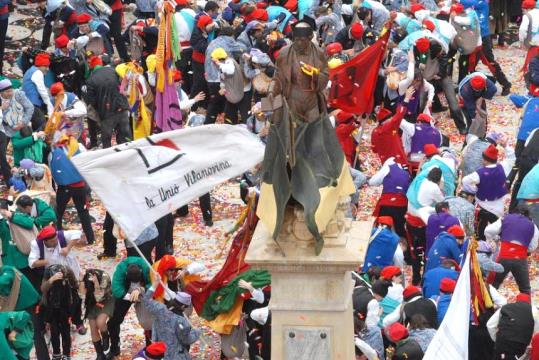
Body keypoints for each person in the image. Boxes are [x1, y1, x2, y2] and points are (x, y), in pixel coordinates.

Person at [462, 142, 516, 239]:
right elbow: (512, 158)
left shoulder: (480, 173)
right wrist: (506, 146)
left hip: (483, 204)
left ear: (485, 160)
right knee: (496, 229)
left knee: (480, 230)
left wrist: (474, 190)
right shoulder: (503, 167)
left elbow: (464, 180)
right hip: (498, 204)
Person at [142, 275, 201, 359]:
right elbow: (186, 339)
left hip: (159, 353)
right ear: (183, 307)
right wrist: (196, 332)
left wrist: (155, 284)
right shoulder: (182, 322)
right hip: (175, 355)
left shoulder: (161, 309)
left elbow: (146, 300)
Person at [485, 205, 539, 294]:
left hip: (504, 256)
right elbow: (532, 247)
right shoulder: (533, 225)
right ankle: (525, 307)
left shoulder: (506, 218)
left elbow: (488, 231)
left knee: (493, 285)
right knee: (525, 289)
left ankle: (487, 306)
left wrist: (496, 238)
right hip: (521, 259)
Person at [107, 257, 151, 358]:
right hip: (125, 294)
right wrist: (129, 297)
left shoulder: (146, 268)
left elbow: (152, 283)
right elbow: (116, 289)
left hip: (143, 293)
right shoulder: (120, 270)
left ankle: (150, 347)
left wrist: (141, 289)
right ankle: (114, 348)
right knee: (113, 322)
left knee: (149, 321)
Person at [84, 55, 131, 149]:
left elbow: (91, 101)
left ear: (92, 67)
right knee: (125, 137)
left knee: (107, 140)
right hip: (122, 107)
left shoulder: (91, 80)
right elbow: (123, 85)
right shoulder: (113, 70)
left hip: (106, 112)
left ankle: (110, 158)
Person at [40, 263, 78, 360]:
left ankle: (66, 354)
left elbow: (75, 285)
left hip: (65, 305)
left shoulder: (67, 270)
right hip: (52, 306)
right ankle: (56, 354)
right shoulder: (48, 272)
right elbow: (43, 288)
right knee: (54, 332)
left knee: (65, 331)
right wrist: (51, 280)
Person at [370, 87, 415, 167]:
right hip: (398, 161)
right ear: (386, 120)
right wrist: (406, 99)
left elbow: (374, 149)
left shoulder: (374, 132)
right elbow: (398, 116)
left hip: (385, 162)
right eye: (390, 118)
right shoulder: (388, 127)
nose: (391, 119)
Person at [0, 79, 34, 183]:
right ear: (1, 92)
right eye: (7, 92)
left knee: (26, 150)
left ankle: (28, 176)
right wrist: (1, 108)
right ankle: (11, 181)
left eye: (11, 90)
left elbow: (30, 108)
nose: (10, 93)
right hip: (5, 129)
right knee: (4, 155)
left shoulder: (18, 94)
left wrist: (22, 123)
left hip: (22, 127)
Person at [487, 293, 539, 359]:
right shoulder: (534, 310)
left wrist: (496, 339)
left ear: (516, 300)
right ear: (529, 302)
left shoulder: (505, 307)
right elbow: (536, 333)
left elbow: (490, 325)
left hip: (502, 342)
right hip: (520, 344)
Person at [80, 269, 114, 360]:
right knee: (93, 327)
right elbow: (82, 295)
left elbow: (99, 297)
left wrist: (96, 284)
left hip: (106, 300)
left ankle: (105, 337)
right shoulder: (84, 279)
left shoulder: (104, 277)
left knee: (100, 322)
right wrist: (81, 281)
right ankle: (100, 354)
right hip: (92, 302)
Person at [21, 53, 53, 128]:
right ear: (40, 65)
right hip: (33, 105)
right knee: (43, 127)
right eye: (45, 66)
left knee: (35, 127)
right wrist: (49, 106)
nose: (47, 69)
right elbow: (42, 91)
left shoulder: (30, 70)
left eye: (48, 66)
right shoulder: (38, 73)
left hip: (27, 104)